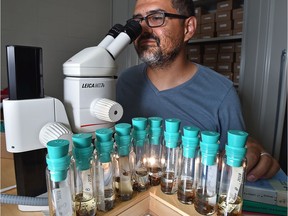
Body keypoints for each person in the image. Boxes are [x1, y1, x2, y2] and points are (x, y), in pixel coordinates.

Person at [116, 0, 280, 182]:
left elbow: (241, 154)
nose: (142, 29)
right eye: (138, 20)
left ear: (188, 27)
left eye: (156, 18)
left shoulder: (222, 93)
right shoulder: (125, 82)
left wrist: (254, 152)